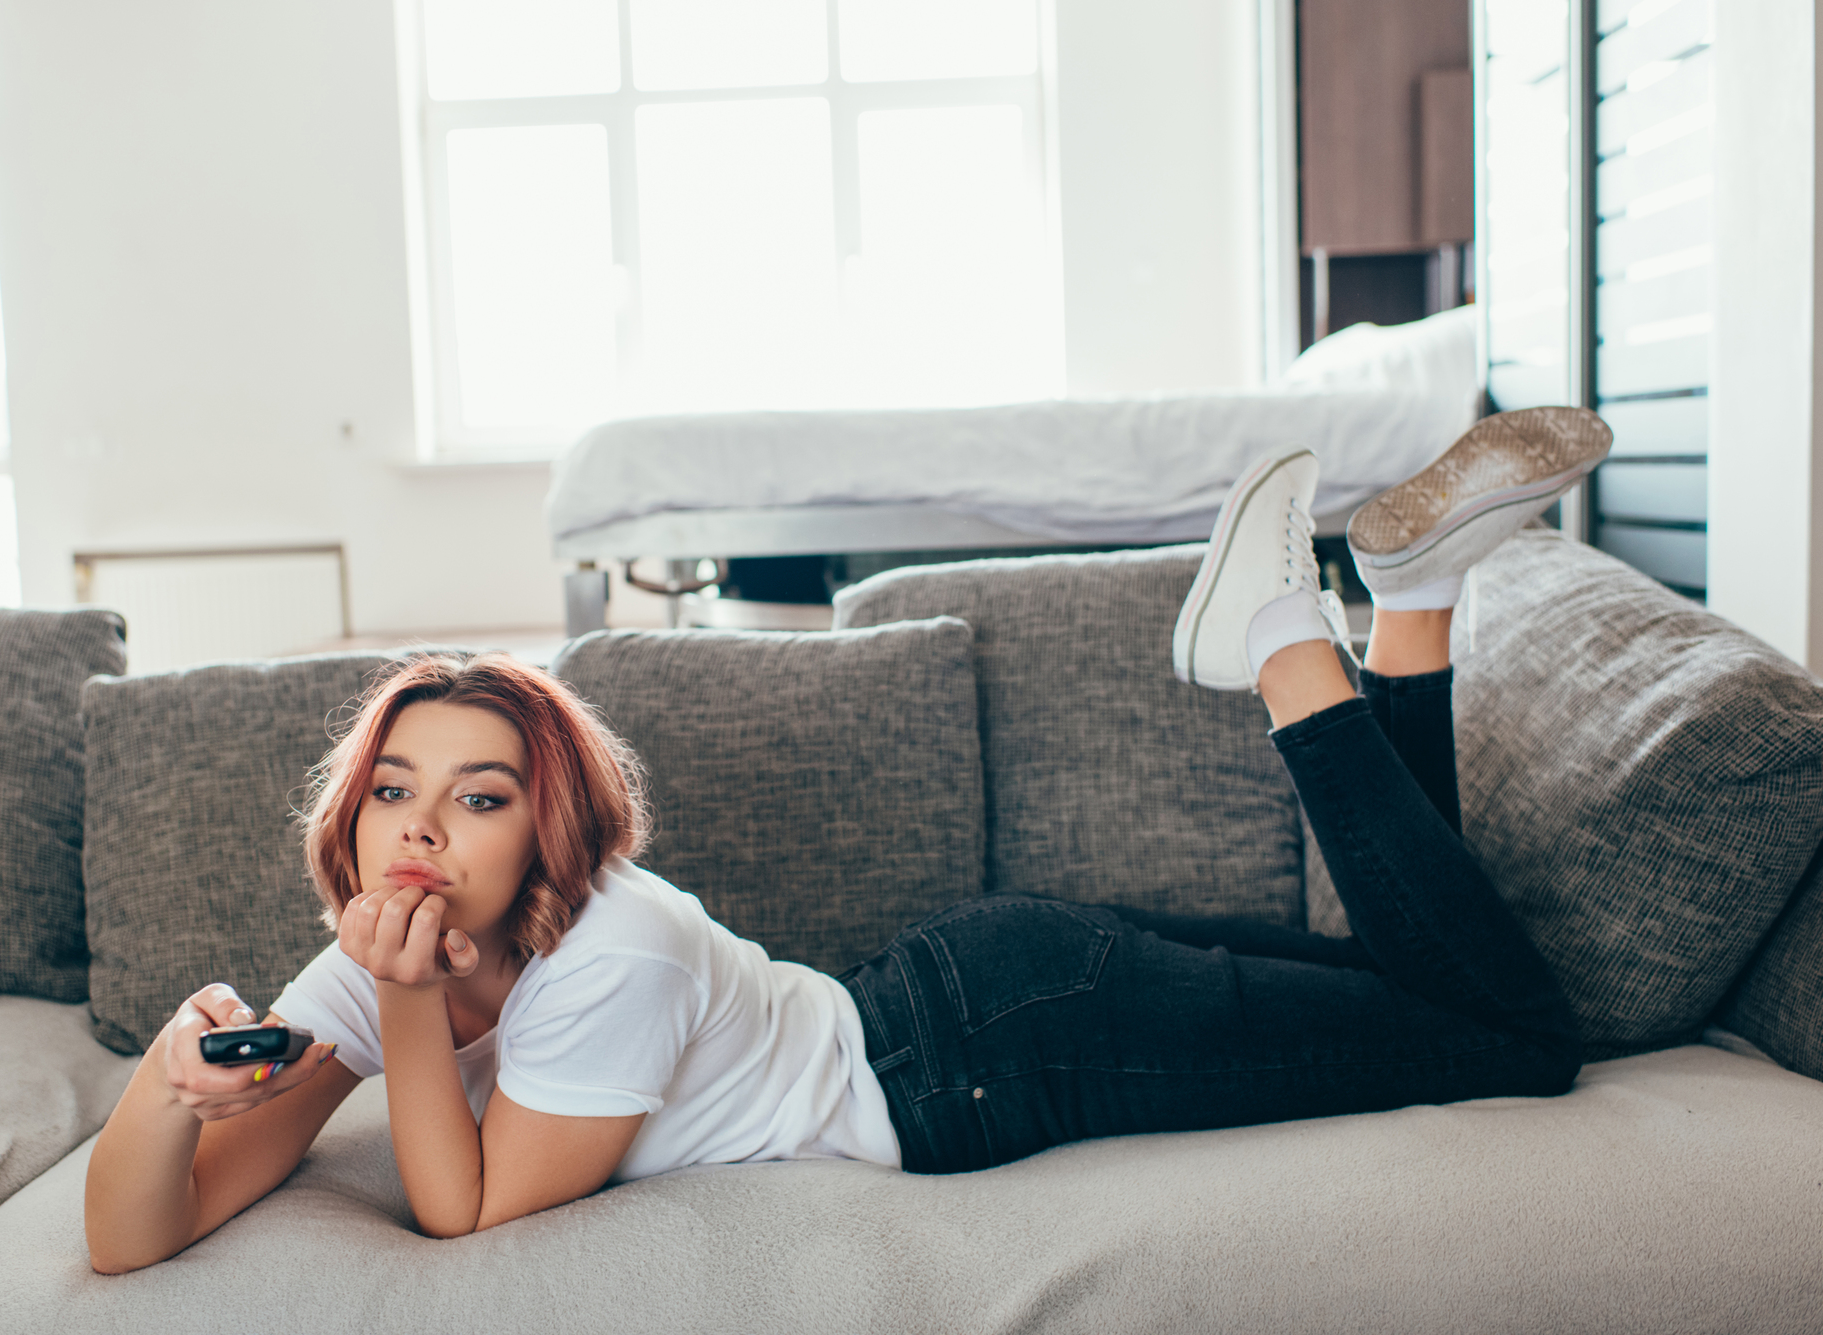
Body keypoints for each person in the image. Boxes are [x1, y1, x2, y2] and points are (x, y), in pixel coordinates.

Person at [84, 405, 1613, 1271]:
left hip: (997, 1053)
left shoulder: (605, 944)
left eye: (479, 796)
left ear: (544, 829)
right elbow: (139, 1237)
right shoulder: (370, 964)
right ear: (354, 822)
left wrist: (406, 1010)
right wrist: (165, 1094)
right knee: (1434, 989)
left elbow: (465, 1207)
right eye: (395, 792)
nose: (423, 827)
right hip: (979, 999)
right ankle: (1410, 605)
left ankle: (1285, 634)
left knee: (1519, 1037)